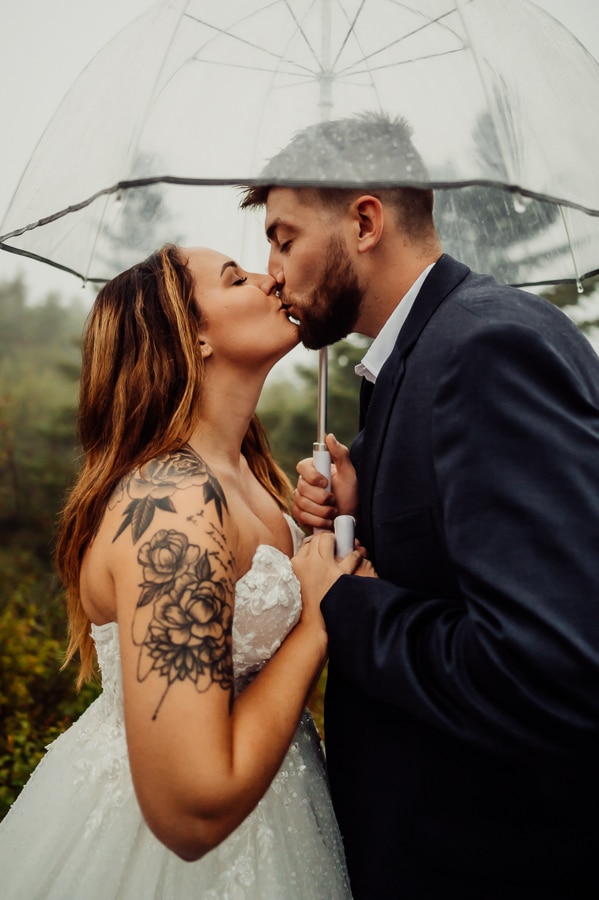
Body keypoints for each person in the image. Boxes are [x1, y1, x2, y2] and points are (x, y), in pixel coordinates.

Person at [241, 112, 599, 899]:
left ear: (364, 221)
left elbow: (547, 669)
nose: (271, 271)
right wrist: (361, 501)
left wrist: (348, 605)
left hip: (490, 862)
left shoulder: (483, 348)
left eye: (284, 237)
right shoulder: (421, 352)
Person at [0, 244, 359, 899]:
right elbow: (191, 813)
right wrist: (314, 623)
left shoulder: (250, 474)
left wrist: (326, 531)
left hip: (281, 807)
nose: (270, 275)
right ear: (192, 336)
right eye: (236, 277)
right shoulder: (172, 506)